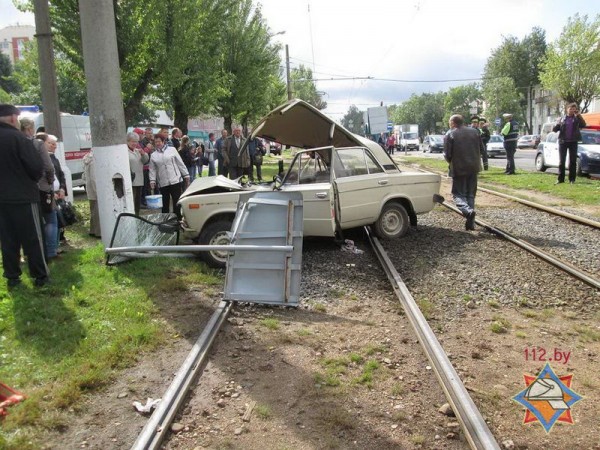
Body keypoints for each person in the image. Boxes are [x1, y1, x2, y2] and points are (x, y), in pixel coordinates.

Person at [0, 104, 49, 287]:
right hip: (23, 197)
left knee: (7, 238)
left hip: (1, 200)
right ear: (13, 118)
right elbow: (36, 168)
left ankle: (12, 277)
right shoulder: (18, 138)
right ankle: (40, 276)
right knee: (33, 238)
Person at [443, 114, 488, 231]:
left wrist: (452, 163)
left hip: (459, 169)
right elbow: (482, 149)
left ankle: (468, 211)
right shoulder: (475, 132)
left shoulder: (450, 134)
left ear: (453, 123)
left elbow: (447, 155)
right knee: (470, 195)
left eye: (449, 122)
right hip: (474, 168)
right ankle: (471, 223)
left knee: (458, 195)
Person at [149, 134, 190, 219]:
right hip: (163, 182)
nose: (158, 143)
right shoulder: (153, 155)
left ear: (163, 141)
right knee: (165, 203)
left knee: (177, 201)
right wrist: (152, 181)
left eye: (159, 141)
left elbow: (180, 163)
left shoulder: (172, 150)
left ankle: (178, 220)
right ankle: (165, 220)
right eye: (156, 142)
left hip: (175, 179)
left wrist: (186, 175)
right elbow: (152, 169)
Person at [35, 133, 59, 260]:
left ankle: (41, 250)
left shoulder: (29, 149)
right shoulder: (41, 151)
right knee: (51, 221)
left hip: (34, 191)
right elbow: (49, 169)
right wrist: (50, 182)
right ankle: (50, 251)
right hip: (45, 191)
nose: (52, 145)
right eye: (49, 142)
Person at [552, 103, 586, 184]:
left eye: (574, 109)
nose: (572, 111)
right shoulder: (562, 119)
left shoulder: (577, 119)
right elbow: (555, 129)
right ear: (567, 109)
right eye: (570, 109)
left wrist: (579, 115)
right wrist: (557, 124)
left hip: (573, 142)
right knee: (561, 161)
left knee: (572, 161)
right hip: (563, 142)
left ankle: (572, 179)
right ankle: (560, 179)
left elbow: (583, 124)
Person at [127, 131, 150, 215]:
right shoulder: (125, 151)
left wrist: (144, 154)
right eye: (133, 141)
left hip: (139, 179)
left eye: (136, 141)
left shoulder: (138, 151)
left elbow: (145, 161)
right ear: (128, 141)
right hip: (131, 180)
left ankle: (137, 216)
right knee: (131, 201)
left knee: (137, 201)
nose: (134, 143)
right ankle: (131, 216)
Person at [82, 150, 101, 238]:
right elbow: (94, 178)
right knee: (97, 211)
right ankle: (98, 232)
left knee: (94, 210)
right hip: (95, 190)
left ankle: (93, 230)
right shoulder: (93, 161)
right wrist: (98, 192)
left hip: (90, 188)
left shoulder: (88, 158)